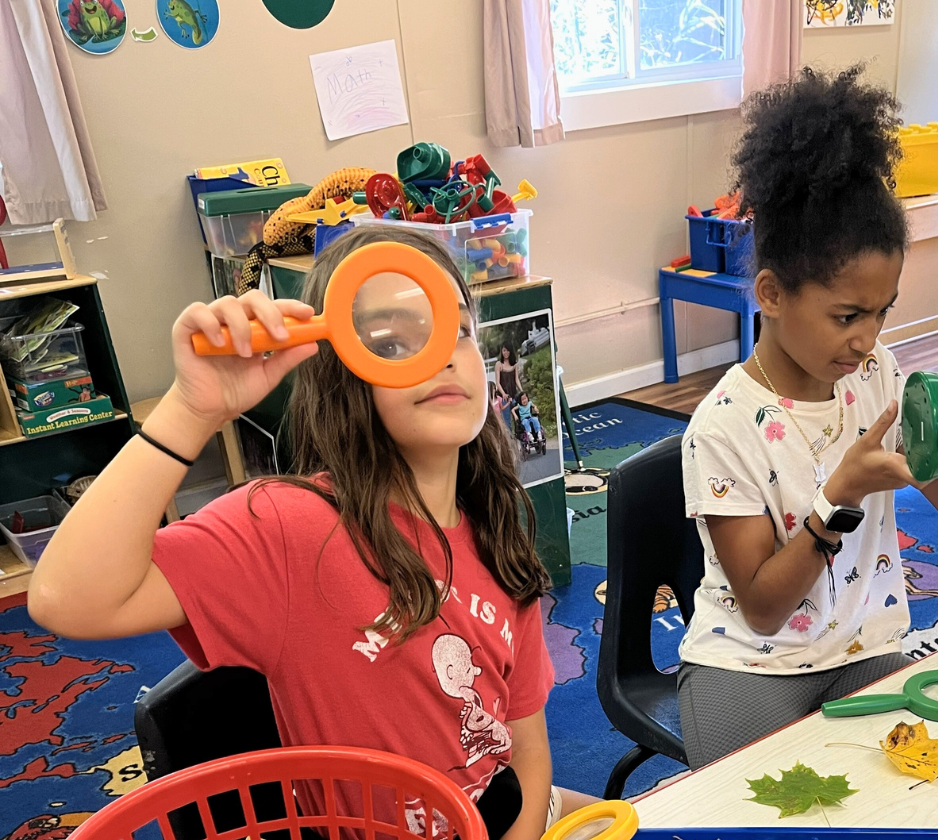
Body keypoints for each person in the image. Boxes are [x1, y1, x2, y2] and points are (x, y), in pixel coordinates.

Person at [27, 227, 593, 840]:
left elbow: (527, 750)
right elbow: (69, 598)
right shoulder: (292, 529)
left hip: (496, 810)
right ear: (343, 372)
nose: (444, 354)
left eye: (457, 330)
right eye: (391, 341)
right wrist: (190, 411)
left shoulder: (496, 527)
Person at [676, 66, 938, 768]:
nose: (866, 337)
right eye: (846, 315)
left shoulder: (875, 374)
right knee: (765, 812)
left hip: (866, 648)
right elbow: (765, 608)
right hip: (748, 667)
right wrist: (840, 496)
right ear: (771, 293)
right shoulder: (722, 426)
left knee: (922, 790)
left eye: (882, 310)